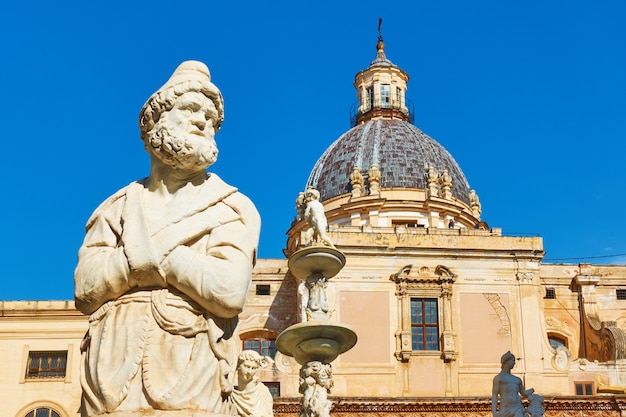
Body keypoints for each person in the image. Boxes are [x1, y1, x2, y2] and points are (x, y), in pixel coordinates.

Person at [74, 61, 261, 417]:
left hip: (190, 384)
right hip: (107, 384)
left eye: (211, 117)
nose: (203, 121)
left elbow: (228, 291)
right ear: (155, 124)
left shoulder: (232, 207)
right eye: (190, 109)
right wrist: (157, 262)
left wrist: (147, 258)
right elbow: (85, 288)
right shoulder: (115, 208)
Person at [231, 350, 274, 417]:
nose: (249, 371)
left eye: (253, 368)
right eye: (246, 366)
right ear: (238, 366)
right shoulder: (231, 393)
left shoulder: (263, 392)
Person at [491, 351, 534, 417]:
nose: (514, 363)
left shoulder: (517, 379)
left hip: (518, 407)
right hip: (505, 409)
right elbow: (495, 395)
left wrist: (532, 390)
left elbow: (523, 393)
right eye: (513, 360)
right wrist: (494, 411)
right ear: (506, 361)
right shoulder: (499, 378)